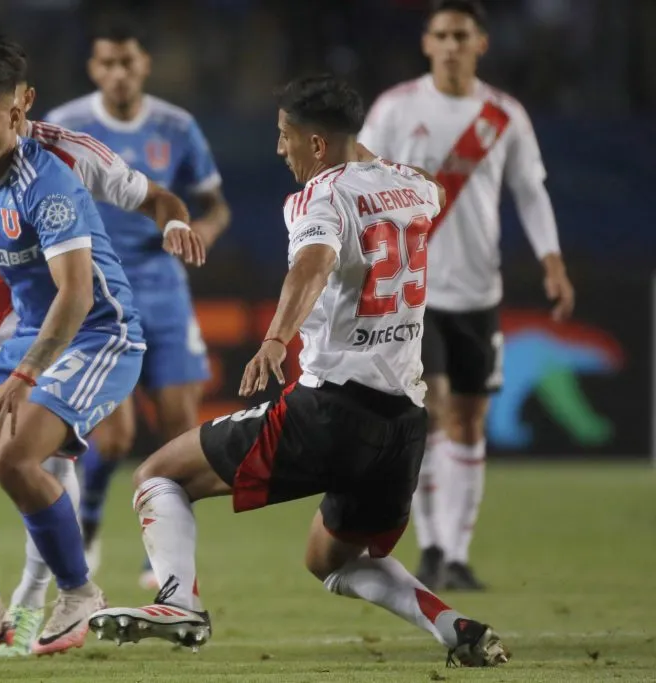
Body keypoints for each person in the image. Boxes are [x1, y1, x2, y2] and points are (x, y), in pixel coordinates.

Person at [88, 74, 510, 668]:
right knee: (328, 559)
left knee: (160, 475)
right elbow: (407, 197)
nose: (279, 149)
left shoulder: (320, 196)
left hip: (335, 408)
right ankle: (453, 625)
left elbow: (311, 265)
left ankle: (179, 600)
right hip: (402, 428)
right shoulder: (415, 187)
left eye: (285, 136)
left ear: (316, 143)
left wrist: (276, 337)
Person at [0, 36, 204, 657]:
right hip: (33, 334)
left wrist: (22, 375)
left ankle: (78, 594)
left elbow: (78, 297)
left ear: (17, 110)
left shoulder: (50, 178)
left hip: (100, 335)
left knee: (12, 457)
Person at [357, 0, 574, 591]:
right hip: (415, 293)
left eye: (462, 35)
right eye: (442, 35)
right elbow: (360, 176)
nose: (451, 44)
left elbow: (531, 193)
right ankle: (431, 548)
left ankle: (455, 552)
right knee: (434, 417)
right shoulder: (396, 108)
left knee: (472, 423)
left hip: (480, 292)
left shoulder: (505, 115)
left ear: (481, 43)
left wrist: (552, 263)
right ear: (427, 44)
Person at [45, 17, 231, 588]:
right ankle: (92, 515)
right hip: (98, 289)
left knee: (180, 432)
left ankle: (167, 566)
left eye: (128, 62)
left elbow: (215, 206)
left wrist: (194, 233)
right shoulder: (65, 126)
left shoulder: (177, 127)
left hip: (164, 287)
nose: (119, 73)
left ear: (144, 64)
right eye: (107, 63)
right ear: (93, 68)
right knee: (117, 435)